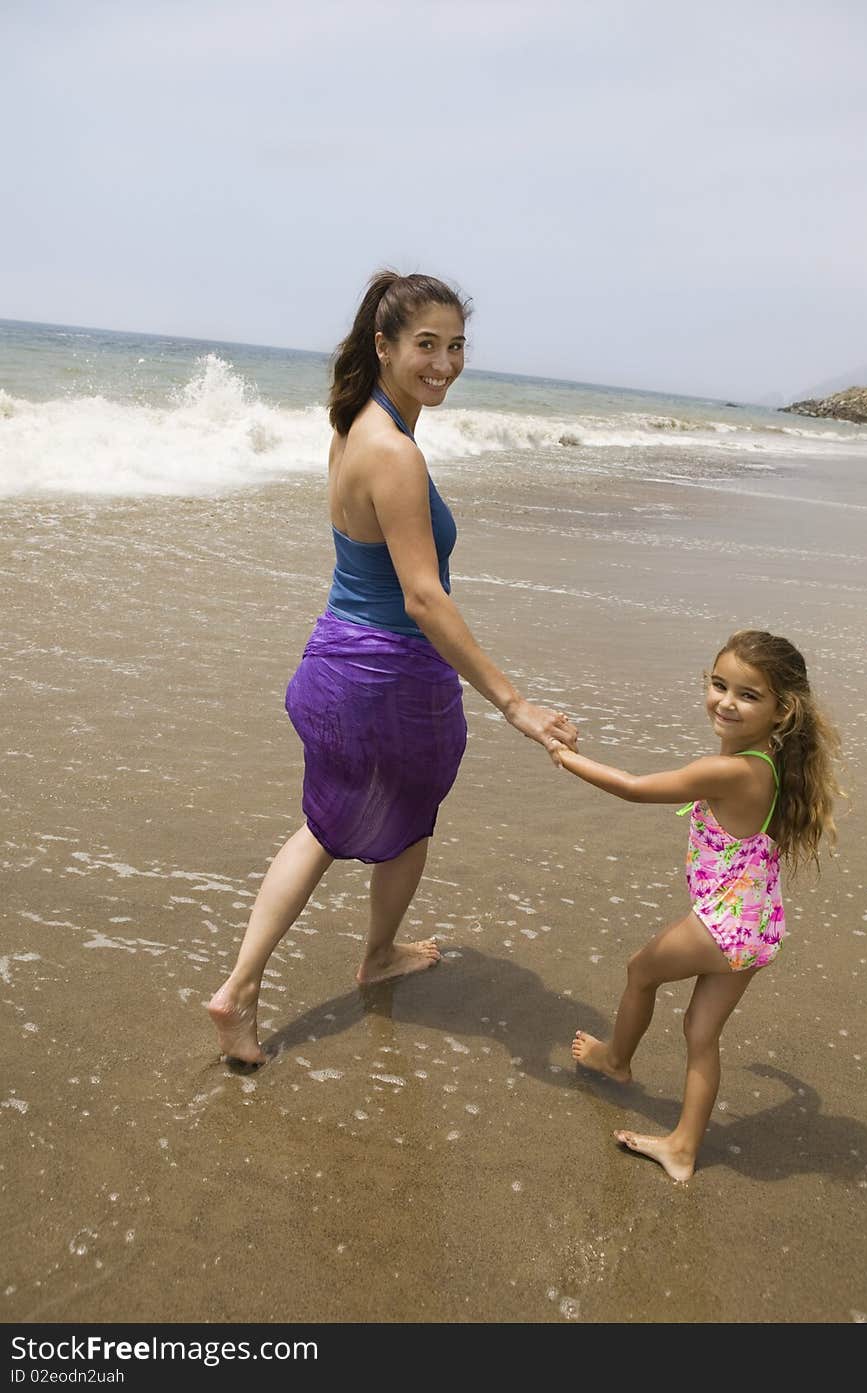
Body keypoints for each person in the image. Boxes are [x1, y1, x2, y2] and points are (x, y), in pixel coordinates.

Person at [209, 270, 579, 1064]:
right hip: (390, 680)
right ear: (383, 347)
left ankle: (239, 986)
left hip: (333, 661)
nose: (443, 363)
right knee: (407, 818)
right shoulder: (395, 454)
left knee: (321, 826)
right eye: (426, 346)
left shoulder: (352, 425)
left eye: (455, 346)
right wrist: (517, 705)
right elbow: (423, 598)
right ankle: (373, 955)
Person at [547, 629, 843, 1182]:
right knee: (701, 1035)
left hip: (723, 924)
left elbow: (634, 788)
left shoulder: (731, 771)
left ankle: (616, 1060)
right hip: (758, 926)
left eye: (748, 695)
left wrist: (564, 755)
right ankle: (682, 1149)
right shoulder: (775, 763)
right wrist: (795, 1092)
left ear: (783, 711)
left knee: (640, 971)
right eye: (719, 685)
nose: (726, 702)